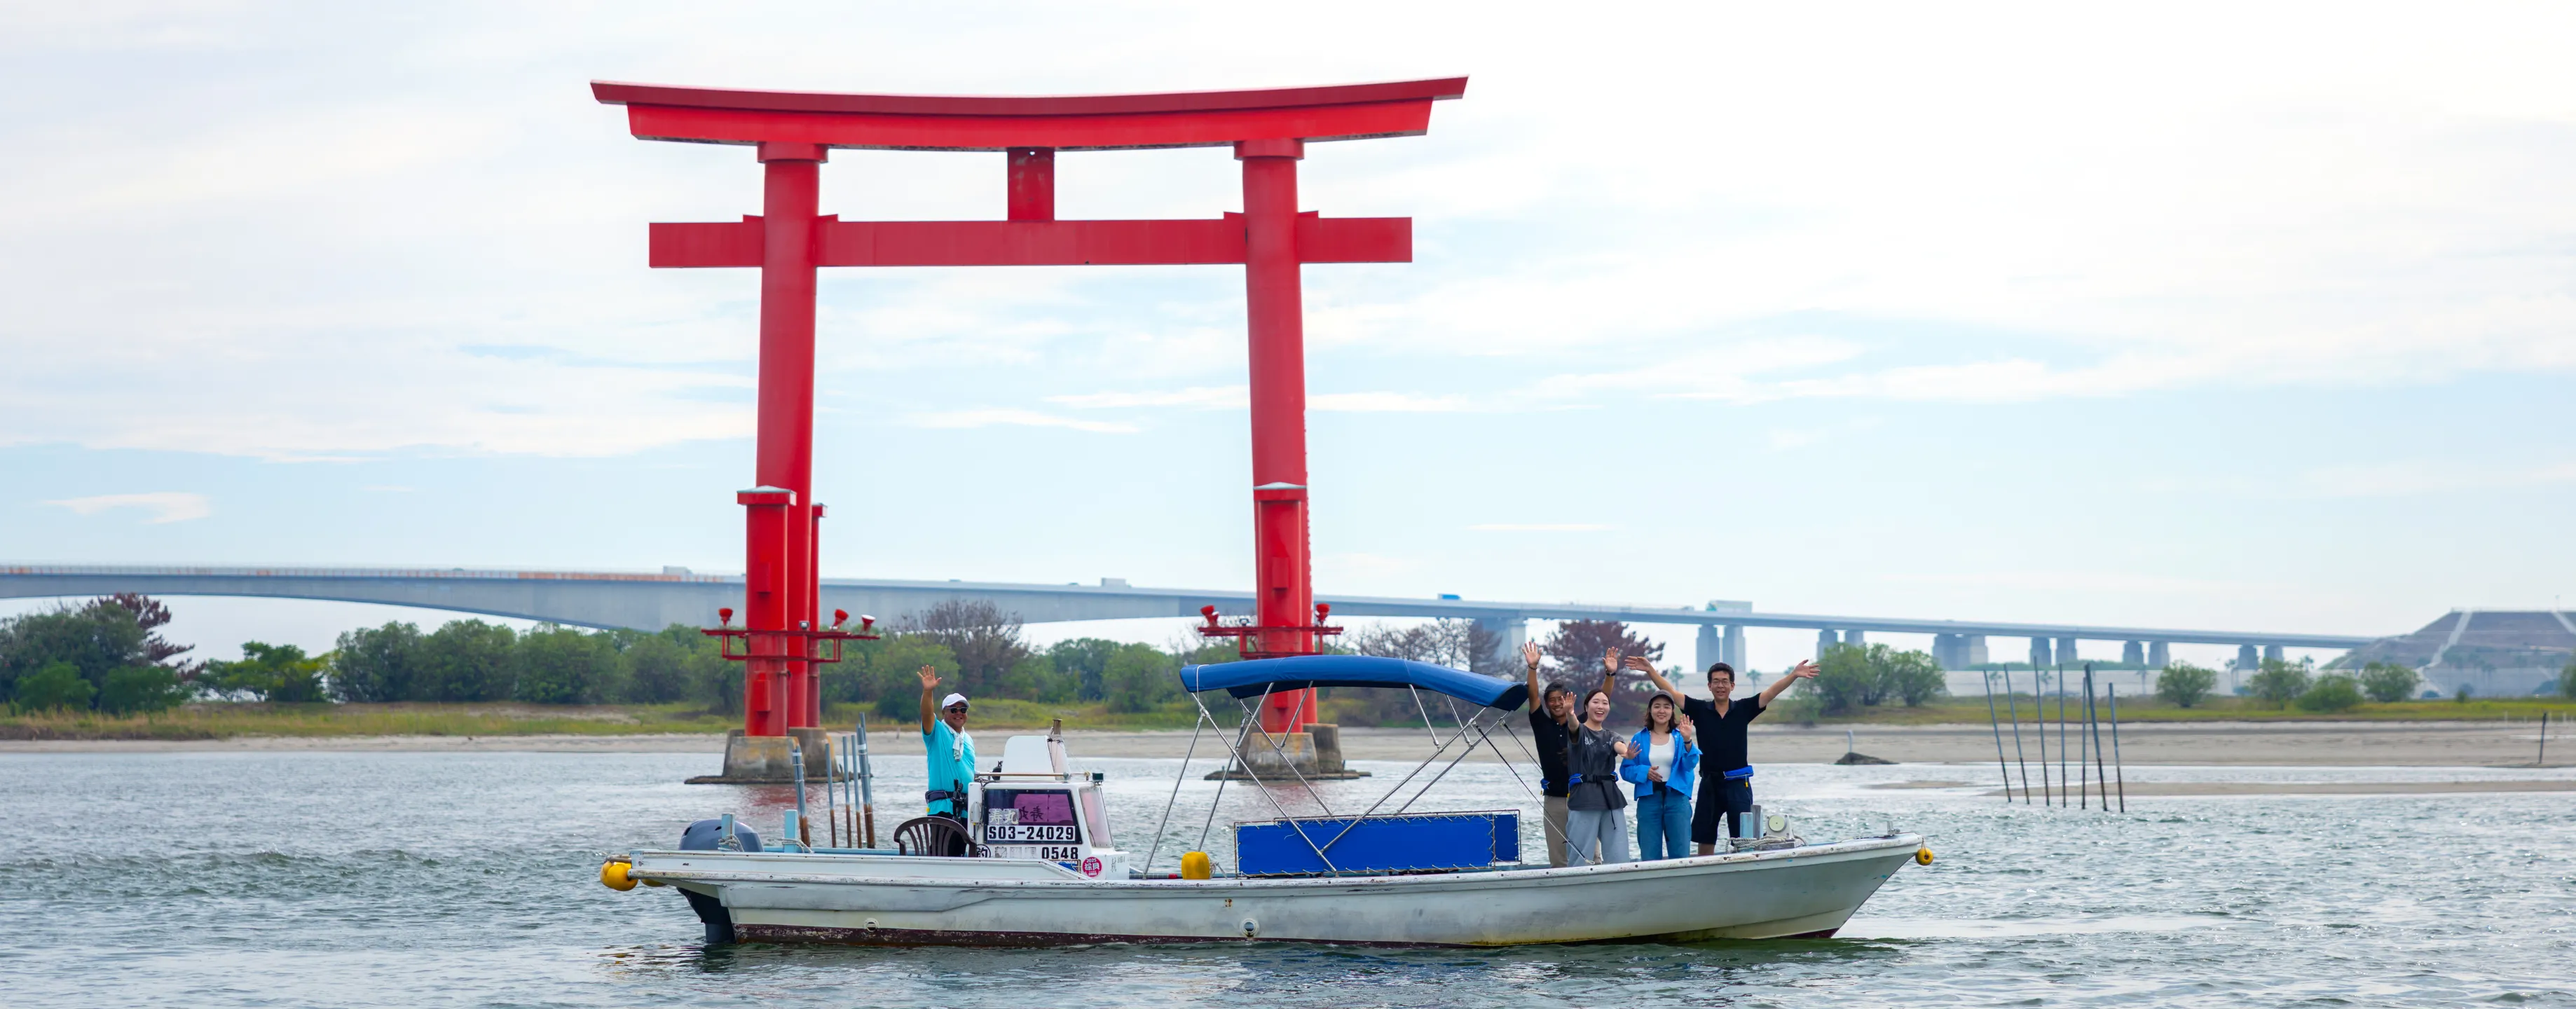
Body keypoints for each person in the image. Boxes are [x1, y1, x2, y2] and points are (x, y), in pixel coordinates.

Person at [1634, 656, 1816, 855]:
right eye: (1716, 682)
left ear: (1732, 685)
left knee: (1745, 839)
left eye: (1724, 682)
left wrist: (1794, 675)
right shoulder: (1700, 710)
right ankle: (1706, 877)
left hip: (1738, 783)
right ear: (1709, 686)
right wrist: (1651, 671)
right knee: (1705, 836)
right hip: (1709, 784)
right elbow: (1672, 694)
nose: (1720, 686)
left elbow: (1771, 693)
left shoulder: (1743, 709)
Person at [1521, 640, 1612, 867]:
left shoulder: (1581, 723)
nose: (1556, 703)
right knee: (1559, 859)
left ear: (1568, 699)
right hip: (1554, 799)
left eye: (1560, 699)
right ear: (1547, 704)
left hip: (1584, 797)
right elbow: (1532, 697)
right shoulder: (1541, 724)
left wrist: (1610, 674)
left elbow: (1601, 701)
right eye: (1551, 700)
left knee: (1592, 856)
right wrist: (1532, 669)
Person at [1556, 668, 1635, 867]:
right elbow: (1573, 725)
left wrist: (1626, 753)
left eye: (1605, 703)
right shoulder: (1578, 731)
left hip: (1610, 798)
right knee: (1580, 855)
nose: (1601, 706)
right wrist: (1570, 713)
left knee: (1618, 855)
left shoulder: (1611, 735)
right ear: (1587, 706)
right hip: (1584, 799)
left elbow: (1619, 746)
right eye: (1596, 702)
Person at [1619, 692, 1700, 860]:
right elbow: (1626, 769)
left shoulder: (1679, 737)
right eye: (1657, 706)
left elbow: (1690, 764)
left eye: (1666, 707)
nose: (1661, 711)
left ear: (1672, 711)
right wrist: (1644, 772)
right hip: (1649, 799)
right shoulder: (1639, 738)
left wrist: (1687, 740)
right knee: (1649, 852)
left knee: (1680, 852)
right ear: (1650, 710)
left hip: (1677, 798)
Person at [916, 665, 976, 841]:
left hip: (966, 810)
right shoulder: (938, 732)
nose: (959, 713)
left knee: (961, 859)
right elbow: (927, 714)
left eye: (963, 710)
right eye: (954, 710)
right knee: (942, 857)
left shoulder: (969, 740)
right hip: (943, 809)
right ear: (944, 712)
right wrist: (928, 692)